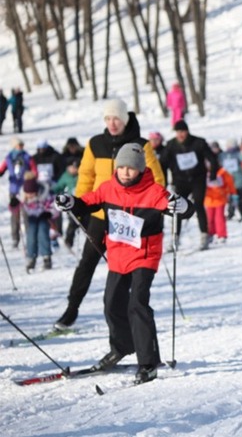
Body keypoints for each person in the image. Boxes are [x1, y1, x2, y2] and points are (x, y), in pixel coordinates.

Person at [55, 143, 194, 384]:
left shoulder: (153, 192)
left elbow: (185, 209)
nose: (125, 172)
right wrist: (70, 201)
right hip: (119, 255)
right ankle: (121, 348)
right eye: (121, 168)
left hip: (144, 255)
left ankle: (148, 363)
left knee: (137, 304)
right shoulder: (108, 188)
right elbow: (86, 203)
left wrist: (182, 206)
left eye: (131, 168)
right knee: (111, 304)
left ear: (140, 170)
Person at [54, 98, 166, 331]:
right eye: (107, 118)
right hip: (100, 215)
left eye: (116, 118)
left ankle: (127, 313)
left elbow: (157, 180)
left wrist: (149, 211)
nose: (112, 123)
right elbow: (86, 177)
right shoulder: (95, 144)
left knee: (128, 269)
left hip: (131, 218)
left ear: (125, 119)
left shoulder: (141, 145)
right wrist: (79, 206)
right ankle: (72, 308)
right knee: (86, 263)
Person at [160, 119, 219, 251]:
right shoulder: (171, 145)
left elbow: (212, 158)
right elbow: (162, 163)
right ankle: (175, 239)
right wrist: (162, 182)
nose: (180, 135)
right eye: (178, 132)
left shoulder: (198, 143)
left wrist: (213, 174)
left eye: (183, 132)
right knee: (177, 208)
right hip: (180, 180)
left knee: (198, 205)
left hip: (198, 179)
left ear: (187, 131)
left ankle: (204, 235)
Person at [0, 138, 36, 248]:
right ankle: (15, 238)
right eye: (18, 145)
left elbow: (35, 171)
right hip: (14, 190)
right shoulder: (9, 157)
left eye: (21, 144)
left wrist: (31, 179)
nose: (20, 147)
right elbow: (2, 169)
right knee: (15, 215)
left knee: (26, 215)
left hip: (26, 191)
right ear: (14, 146)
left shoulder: (27, 157)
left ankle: (30, 237)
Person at [21, 172, 58, 272]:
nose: (30, 196)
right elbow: (16, 206)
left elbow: (55, 207)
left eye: (32, 193)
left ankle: (46, 257)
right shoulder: (24, 197)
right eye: (27, 194)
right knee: (31, 235)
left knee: (42, 234)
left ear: (36, 191)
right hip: (32, 217)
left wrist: (49, 213)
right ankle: (31, 257)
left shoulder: (45, 194)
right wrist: (13, 204)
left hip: (43, 217)